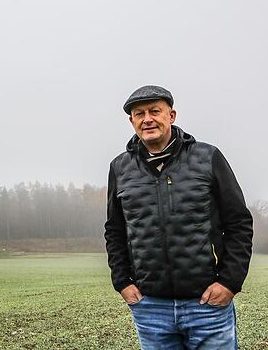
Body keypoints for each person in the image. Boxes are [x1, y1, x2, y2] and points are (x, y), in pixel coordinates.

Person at [104, 85, 253, 349]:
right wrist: (122, 282)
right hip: (151, 309)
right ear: (132, 121)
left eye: (155, 111)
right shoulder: (119, 168)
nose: (147, 119)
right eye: (139, 114)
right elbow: (115, 230)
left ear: (171, 116)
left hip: (207, 305)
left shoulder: (208, 157)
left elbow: (238, 223)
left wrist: (229, 282)